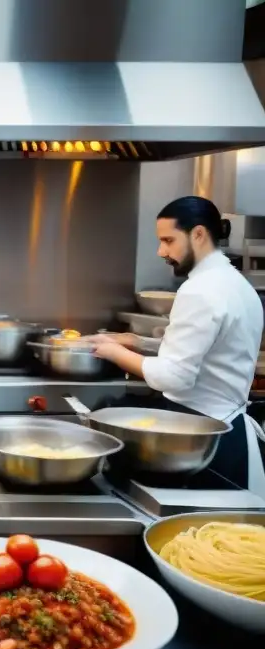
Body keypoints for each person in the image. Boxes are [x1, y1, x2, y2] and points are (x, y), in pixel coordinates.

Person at [89, 195, 265, 495]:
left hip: (198, 442)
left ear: (198, 234)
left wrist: (112, 352)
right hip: (226, 435)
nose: (161, 251)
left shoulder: (199, 290)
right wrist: (135, 341)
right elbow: (202, 350)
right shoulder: (236, 284)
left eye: (168, 240)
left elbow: (174, 376)